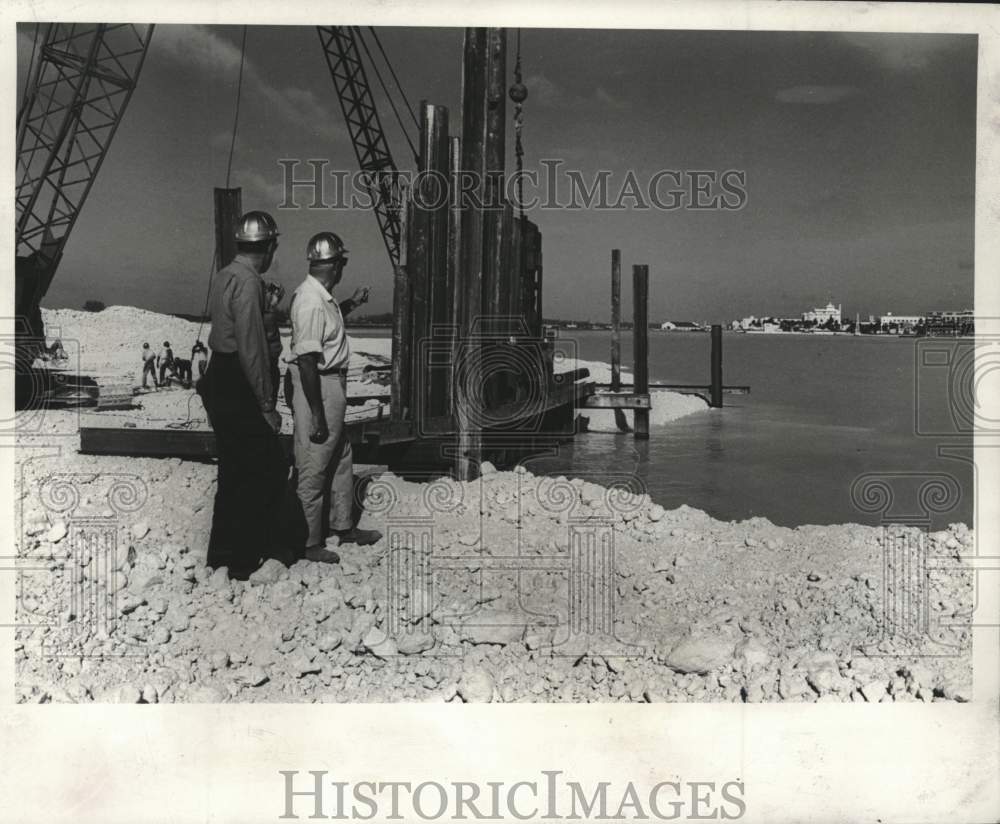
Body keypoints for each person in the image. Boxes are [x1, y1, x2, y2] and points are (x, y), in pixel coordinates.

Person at [199, 210, 288, 579]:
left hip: (219, 375)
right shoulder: (249, 283)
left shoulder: (224, 276)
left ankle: (220, 555)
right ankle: (245, 559)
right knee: (265, 467)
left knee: (233, 469)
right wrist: (267, 405)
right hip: (239, 379)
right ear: (268, 247)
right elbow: (252, 349)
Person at [288, 230, 380, 563]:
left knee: (341, 456)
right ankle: (309, 542)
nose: (342, 268)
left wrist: (353, 303)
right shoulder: (311, 301)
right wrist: (316, 413)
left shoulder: (321, 297)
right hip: (320, 385)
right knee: (314, 462)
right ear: (333, 265)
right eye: (341, 262)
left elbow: (326, 329)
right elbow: (307, 360)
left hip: (331, 384)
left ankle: (342, 526)